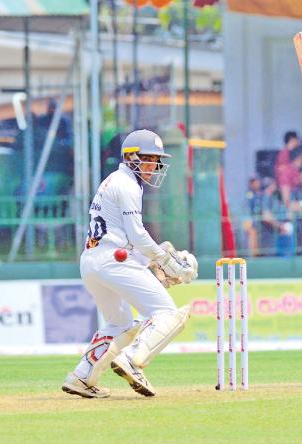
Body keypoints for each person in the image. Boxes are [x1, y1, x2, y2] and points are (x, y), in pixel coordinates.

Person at [61, 129, 199, 399]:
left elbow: (124, 237)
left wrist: (154, 261)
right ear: (131, 157)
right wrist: (164, 260)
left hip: (92, 262)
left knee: (121, 323)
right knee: (167, 313)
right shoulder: (127, 185)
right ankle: (131, 359)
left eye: (156, 160)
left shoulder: (114, 181)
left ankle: (82, 376)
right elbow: (136, 234)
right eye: (148, 159)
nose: (153, 167)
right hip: (113, 261)